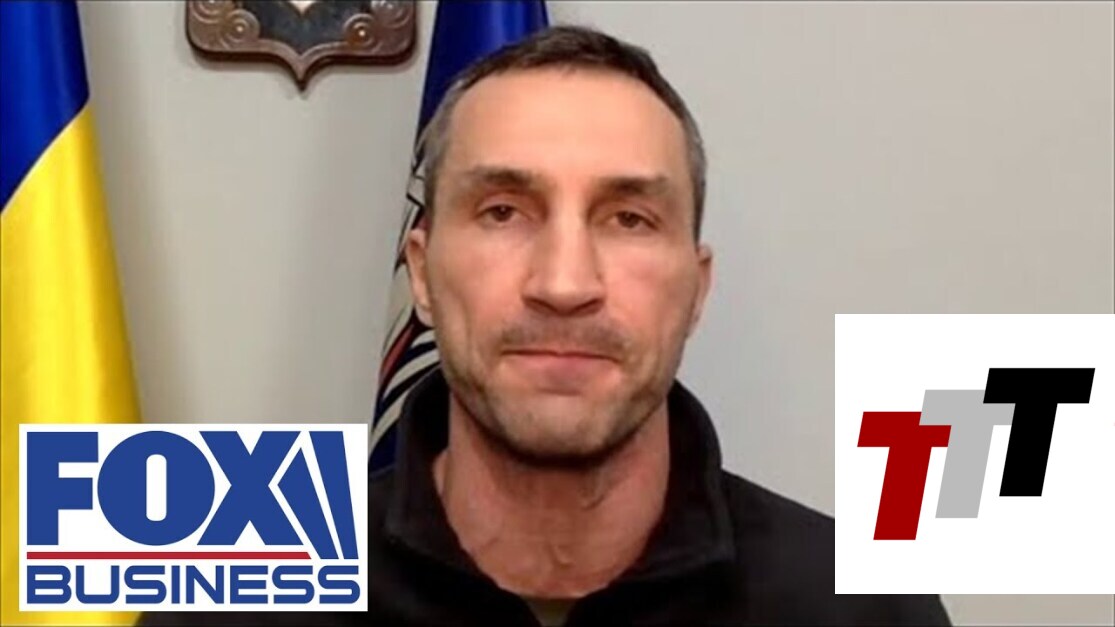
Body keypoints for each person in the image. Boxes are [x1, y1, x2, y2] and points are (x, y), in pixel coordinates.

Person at [142, 25, 950, 627]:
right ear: (420, 271)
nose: (564, 284)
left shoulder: (862, 607)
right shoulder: (230, 602)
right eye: (502, 211)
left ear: (696, 288)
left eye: (628, 218)